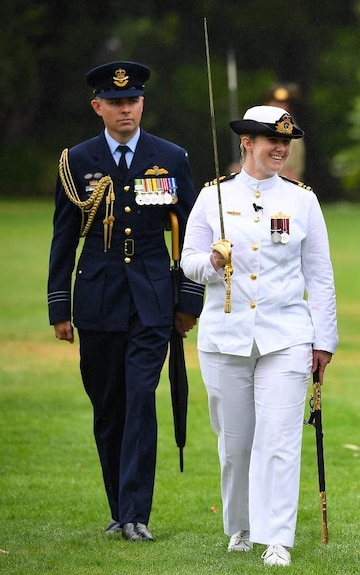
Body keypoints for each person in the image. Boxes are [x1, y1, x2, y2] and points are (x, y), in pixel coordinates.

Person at [47, 61, 203, 542]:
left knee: (140, 401)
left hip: (153, 299)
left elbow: (195, 234)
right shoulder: (76, 160)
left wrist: (189, 302)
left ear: (142, 104)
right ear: (98, 107)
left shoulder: (170, 157)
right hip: (97, 298)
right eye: (115, 103)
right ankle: (119, 507)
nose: (125, 109)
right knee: (107, 405)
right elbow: (63, 235)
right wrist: (59, 305)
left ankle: (137, 513)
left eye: (132, 101)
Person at [181, 105, 338, 567]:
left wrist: (323, 340)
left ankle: (278, 537)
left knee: (281, 438)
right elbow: (186, 261)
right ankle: (241, 527)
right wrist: (211, 262)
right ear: (246, 142)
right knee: (235, 441)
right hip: (225, 336)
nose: (280, 148)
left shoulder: (302, 200)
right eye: (271, 140)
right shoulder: (213, 197)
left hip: (286, 334)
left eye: (286, 142)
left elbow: (320, 275)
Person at [267, 83, 306, 181]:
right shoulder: (265, 131)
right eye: (274, 102)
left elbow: (290, 173)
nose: (277, 107)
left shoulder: (290, 136)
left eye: (282, 104)